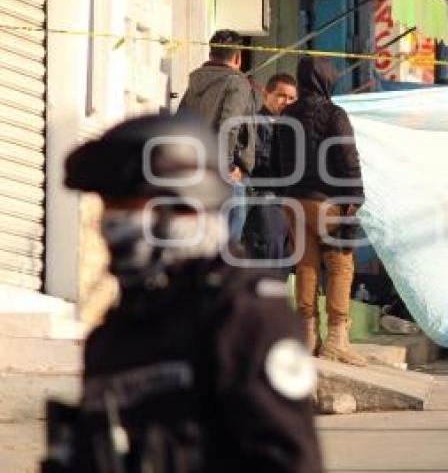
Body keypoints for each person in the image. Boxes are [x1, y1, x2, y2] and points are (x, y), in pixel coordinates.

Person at [44, 114, 323, 472]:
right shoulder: (114, 334)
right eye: (108, 206)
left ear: (184, 207)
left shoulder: (245, 316)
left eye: (128, 205)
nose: (111, 222)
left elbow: (290, 461)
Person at [278, 56, 367, 366]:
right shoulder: (334, 114)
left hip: (293, 200)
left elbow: (276, 161)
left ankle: (306, 336)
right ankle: (336, 339)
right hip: (327, 201)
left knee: (306, 266)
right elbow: (347, 154)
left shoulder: (287, 114)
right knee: (340, 267)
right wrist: (355, 194)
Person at [178, 29, 258, 242]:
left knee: (201, 237)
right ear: (238, 57)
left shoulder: (194, 84)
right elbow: (229, 125)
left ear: (211, 54)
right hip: (225, 173)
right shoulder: (237, 82)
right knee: (227, 240)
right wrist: (230, 165)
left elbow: (180, 122)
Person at [242, 73, 299, 266]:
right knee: (266, 263)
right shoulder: (255, 123)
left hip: (287, 204)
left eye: (292, 98)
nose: (287, 102)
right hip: (266, 201)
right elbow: (255, 160)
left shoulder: (292, 128)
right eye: (281, 95)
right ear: (266, 95)